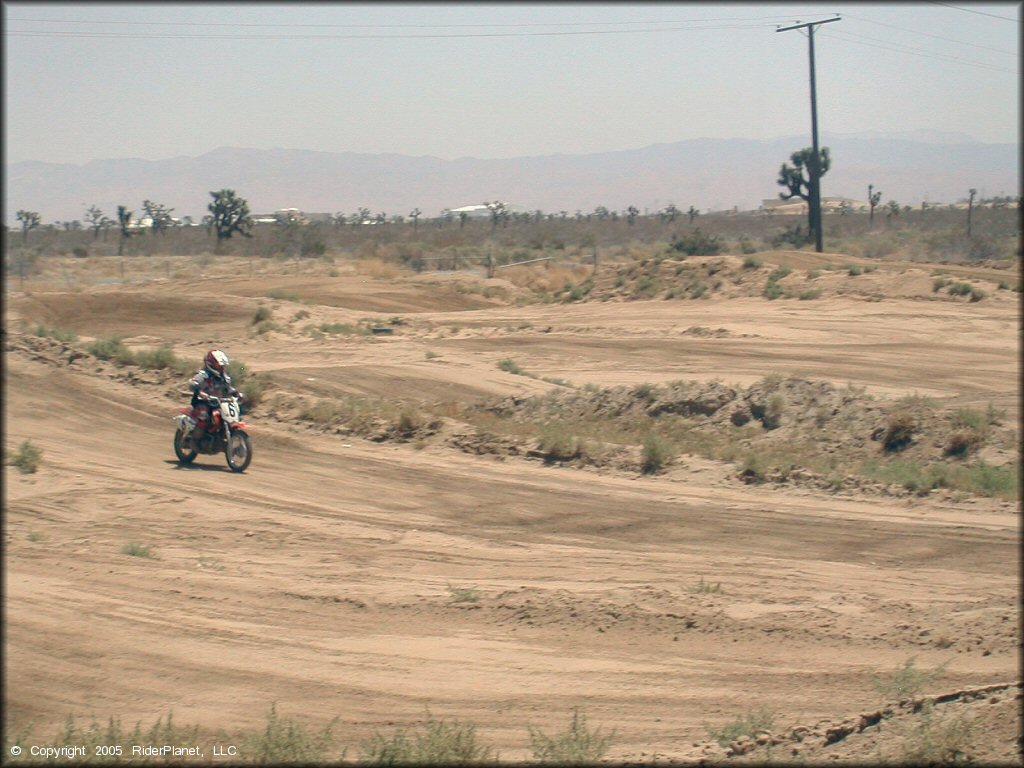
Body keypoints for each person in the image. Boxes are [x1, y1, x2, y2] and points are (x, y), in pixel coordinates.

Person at [188, 349, 242, 436]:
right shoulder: (204, 375)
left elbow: (228, 388)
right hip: (203, 402)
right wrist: (199, 391)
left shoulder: (224, 377)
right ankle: (196, 438)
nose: (221, 367)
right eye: (219, 365)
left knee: (233, 415)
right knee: (203, 416)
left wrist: (236, 393)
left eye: (222, 365)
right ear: (211, 364)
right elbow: (192, 383)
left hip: (219, 404)